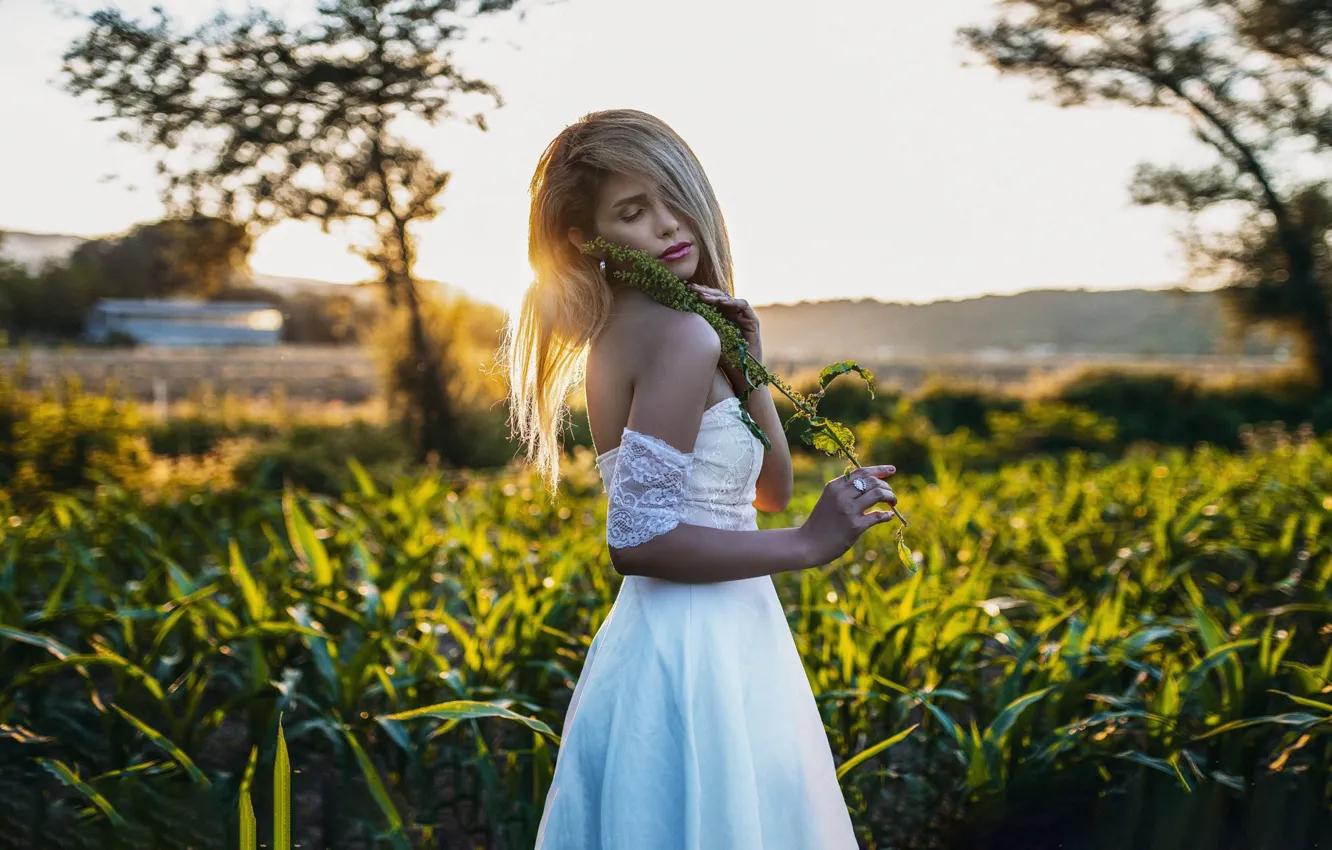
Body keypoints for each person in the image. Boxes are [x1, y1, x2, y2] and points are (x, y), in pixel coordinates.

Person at [501, 108, 899, 850]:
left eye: (672, 195)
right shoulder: (675, 334)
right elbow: (640, 541)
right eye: (633, 211)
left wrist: (748, 361)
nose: (667, 224)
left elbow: (767, 491)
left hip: (713, 637)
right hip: (694, 651)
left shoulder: (655, 331)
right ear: (588, 241)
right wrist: (809, 546)